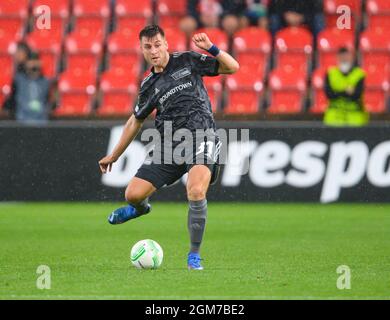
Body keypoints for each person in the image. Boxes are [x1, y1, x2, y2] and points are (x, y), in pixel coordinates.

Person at [98, 25, 239, 270]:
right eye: (147, 47)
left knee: (195, 191)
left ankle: (194, 255)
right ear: (142, 50)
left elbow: (232, 67)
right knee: (133, 195)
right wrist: (114, 155)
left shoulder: (188, 60)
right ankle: (140, 210)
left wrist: (212, 48)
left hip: (202, 135)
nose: (153, 51)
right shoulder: (149, 85)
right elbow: (135, 121)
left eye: (157, 45)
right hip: (169, 145)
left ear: (166, 44)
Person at [3, 51, 55, 123]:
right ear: (25, 65)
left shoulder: (46, 82)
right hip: (21, 120)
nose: (33, 66)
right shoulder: (19, 80)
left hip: (41, 121)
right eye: (31, 62)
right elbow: (11, 99)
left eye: (36, 63)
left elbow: (51, 102)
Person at [323, 47, 368, 126]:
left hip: (354, 115)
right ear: (337, 58)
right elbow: (329, 95)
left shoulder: (359, 74)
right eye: (341, 57)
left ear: (352, 57)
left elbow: (356, 95)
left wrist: (338, 92)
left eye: (346, 56)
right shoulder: (330, 73)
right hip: (334, 116)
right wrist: (346, 91)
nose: (344, 59)